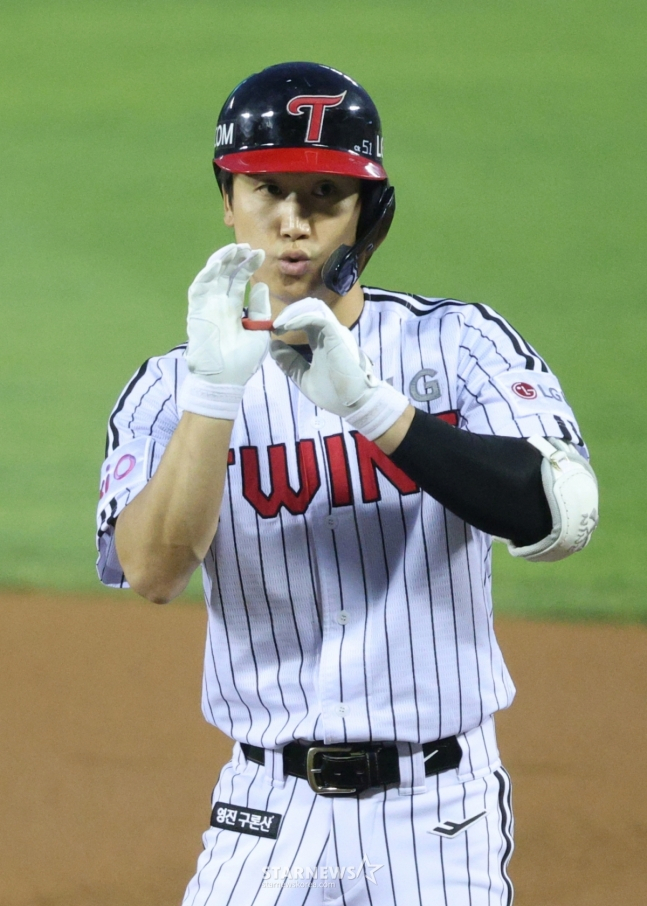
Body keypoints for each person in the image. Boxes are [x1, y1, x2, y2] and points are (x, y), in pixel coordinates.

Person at [96, 62, 598, 906]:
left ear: (369, 213)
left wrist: (373, 408)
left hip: (437, 814)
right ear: (228, 200)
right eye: (267, 191)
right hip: (263, 810)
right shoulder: (168, 388)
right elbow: (151, 571)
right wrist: (213, 395)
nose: (292, 224)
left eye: (324, 195)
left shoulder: (458, 345)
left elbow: (558, 517)